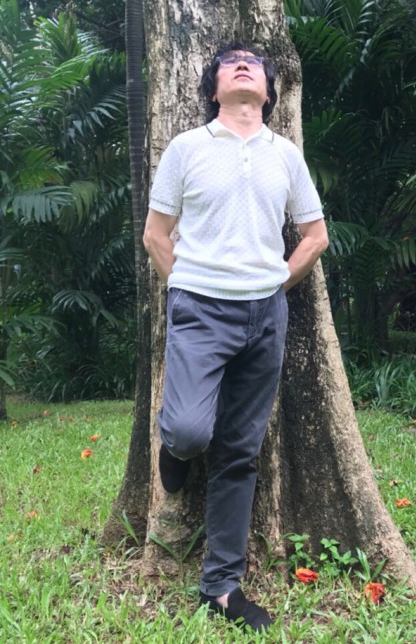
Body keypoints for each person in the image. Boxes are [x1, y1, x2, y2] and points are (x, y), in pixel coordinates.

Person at [143, 41, 328, 632]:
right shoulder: (187, 148)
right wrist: (187, 287)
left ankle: (220, 588)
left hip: (265, 315)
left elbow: (315, 236)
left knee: (240, 453)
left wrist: (275, 284)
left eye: (253, 62)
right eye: (230, 61)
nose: (242, 63)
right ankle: (175, 450)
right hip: (199, 308)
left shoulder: (286, 156)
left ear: (270, 92)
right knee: (190, 430)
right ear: (213, 88)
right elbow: (155, 234)